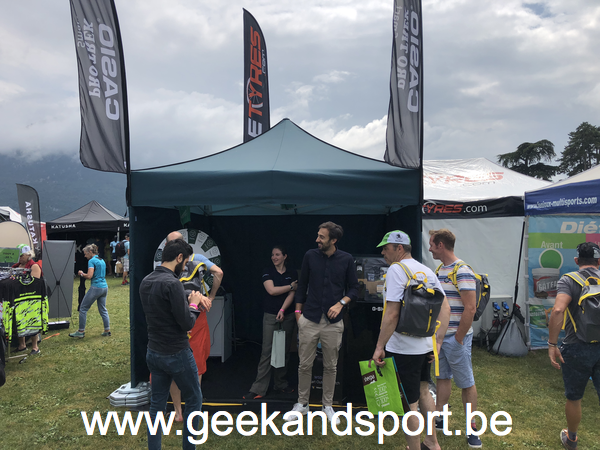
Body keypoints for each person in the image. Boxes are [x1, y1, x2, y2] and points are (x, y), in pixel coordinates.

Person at [371, 231, 450, 450]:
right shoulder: (426, 270)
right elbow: (445, 308)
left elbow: (392, 314)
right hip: (424, 345)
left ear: (399, 248)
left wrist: (379, 346)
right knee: (424, 391)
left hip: (403, 348)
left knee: (409, 404)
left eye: (385, 248)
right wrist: (437, 343)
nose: (383, 252)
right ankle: (432, 443)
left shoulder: (396, 270)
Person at [285, 221, 359, 425]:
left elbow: (354, 288)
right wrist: (298, 313)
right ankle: (302, 404)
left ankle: (328, 405)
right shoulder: (310, 256)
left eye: (322, 237)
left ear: (333, 240)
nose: (317, 239)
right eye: (318, 235)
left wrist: (341, 303)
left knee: (330, 366)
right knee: (304, 364)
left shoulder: (346, 259)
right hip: (309, 318)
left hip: (333, 323)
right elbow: (302, 285)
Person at [140, 238, 205, 450]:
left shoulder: (146, 281)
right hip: (177, 352)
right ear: (178, 258)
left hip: (154, 352)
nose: (185, 268)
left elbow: (163, 307)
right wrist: (194, 305)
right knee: (194, 399)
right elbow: (187, 323)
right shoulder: (173, 284)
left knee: (157, 405)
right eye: (185, 263)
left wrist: (185, 298)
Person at [428, 228, 482, 448]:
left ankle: (472, 428)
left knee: (466, 382)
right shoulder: (439, 270)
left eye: (432, 244)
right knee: (442, 378)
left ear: (441, 245)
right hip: (440, 338)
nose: (430, 248)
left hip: (455, 339)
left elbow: (470, 307)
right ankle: (440, 417)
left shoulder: (462, 270)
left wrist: (459, 338)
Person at [548, 242, 600, 450]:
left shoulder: (569, 280)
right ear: (599, 261)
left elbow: (558, 310)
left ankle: (571, 439)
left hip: (576, 346)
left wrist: (552, 344)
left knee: (575, 397)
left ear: (577, 260)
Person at [165, 231, 220, 422]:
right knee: (196, 364)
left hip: (174, 317)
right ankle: (192, 410)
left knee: (174, 363)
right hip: (195, 315)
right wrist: (209, 297)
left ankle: (179, 412)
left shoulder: (165, 266)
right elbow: (219, 273)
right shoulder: (198, 259)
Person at [243, 246, 298, 400]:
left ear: (285, 256)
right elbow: (272, 290)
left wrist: (282, 309)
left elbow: (292, 294)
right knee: (267, 351)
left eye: (277, 254)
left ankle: (280, 383)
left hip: (287, 315)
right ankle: (259, 388)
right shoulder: (267, 271)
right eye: (273, 255)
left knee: (283, 351)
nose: (274, 257)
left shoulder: (292, 273)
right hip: (270, 316)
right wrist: (290, 286)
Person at [68, 244, 110, 339]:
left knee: (83, 308)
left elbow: (89, 276)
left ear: (90, 252)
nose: (85, 256)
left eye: (85, 254)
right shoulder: (101, 260)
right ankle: (107, 330)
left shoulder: (92, 261)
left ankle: (81, 331)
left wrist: (81, 274)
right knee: (103, 309)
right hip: (104, 287)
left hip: (96, 287)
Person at [12, 244, 42, 354]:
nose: (20, 258)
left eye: (22, 256)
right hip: (18, 298)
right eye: (19, 255)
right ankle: (22, 345)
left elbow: (35, 283)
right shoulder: (16, 266)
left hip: (31, 298)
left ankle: (35, 347)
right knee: (19, 320)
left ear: (28, 255)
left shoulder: (34, 266)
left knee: (32, 321)